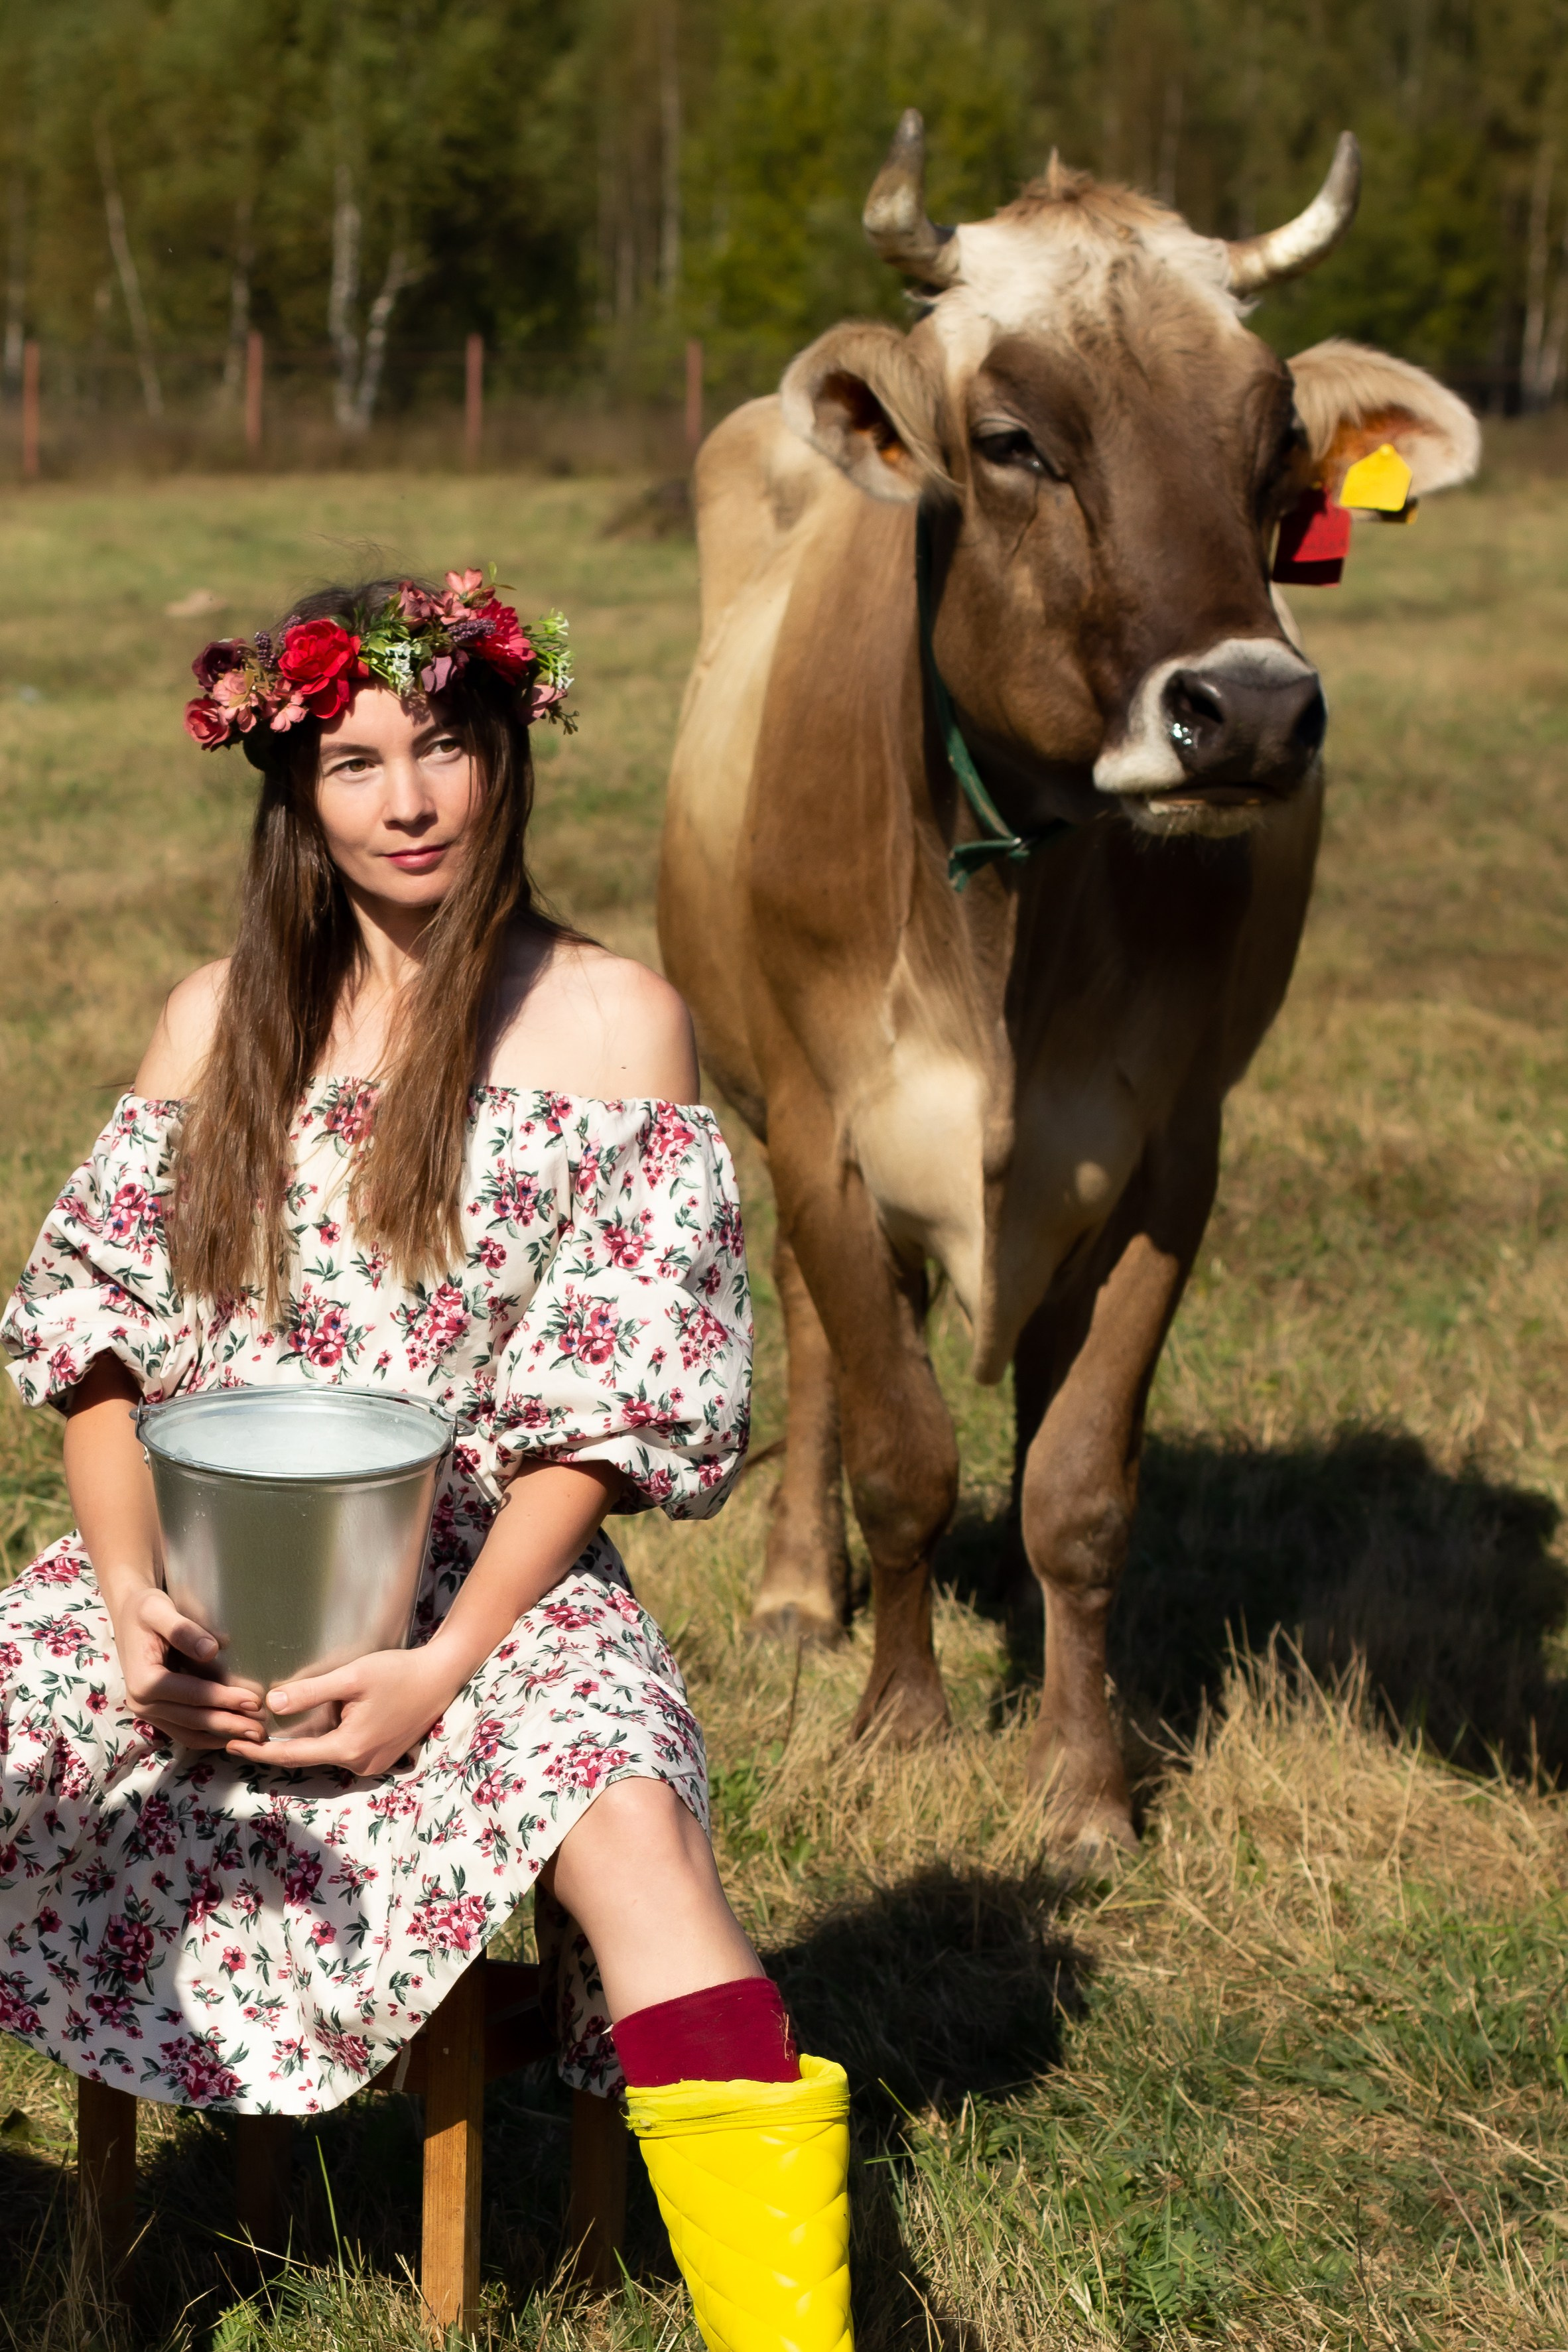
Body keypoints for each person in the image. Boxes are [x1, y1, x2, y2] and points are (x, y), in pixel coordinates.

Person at [0, 572, 852, 2352]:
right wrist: (129, 1587)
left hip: (492, 1573)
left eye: (446, 746)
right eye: (357, 759)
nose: (407, 800)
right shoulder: (212, 1017)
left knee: (633, 1825)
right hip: (191, 1558)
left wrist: (443, 1665)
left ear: (504, 760)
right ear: (291, 793)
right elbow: (98, 1354)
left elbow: (604, 1407)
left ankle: (796, 2333)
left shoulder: (616, 1021)